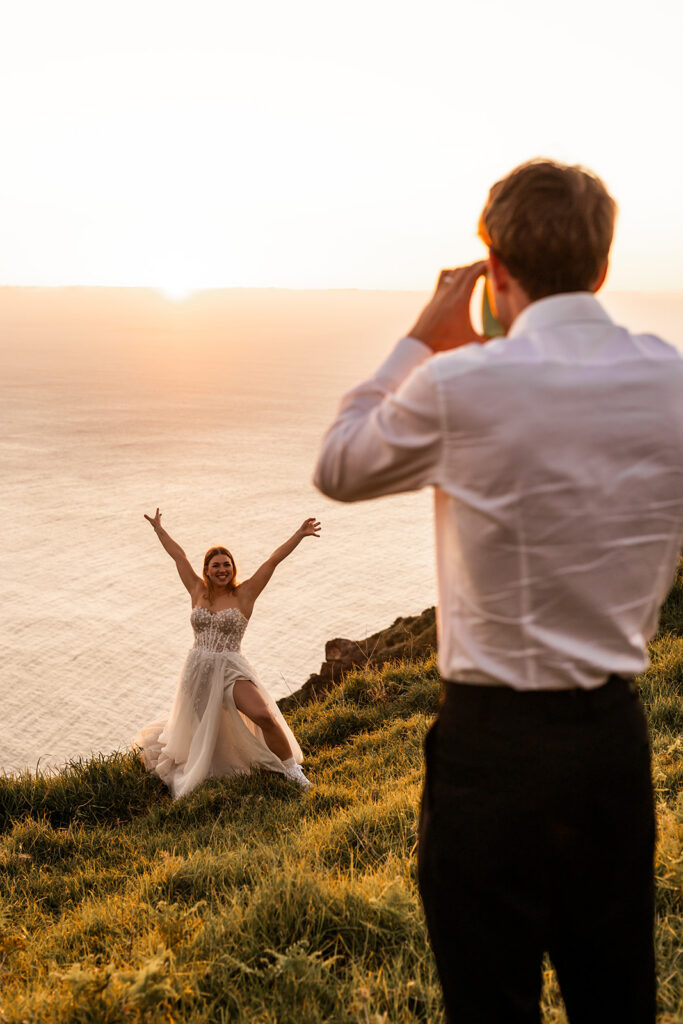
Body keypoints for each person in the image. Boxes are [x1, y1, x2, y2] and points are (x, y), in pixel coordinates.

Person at [313, 159, 683, 1023]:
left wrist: (422, 337)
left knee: (488, 1005)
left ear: (494, 269)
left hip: (489, 750)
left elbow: (338, 466)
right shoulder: (668, 378)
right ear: (600, 267)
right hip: (609, 741)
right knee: (617, 1000)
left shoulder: (460, 386)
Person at [134, 510, 320, 798]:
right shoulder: (197, 589)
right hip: (197, 669)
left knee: (263, 715)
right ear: (207, 570)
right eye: (216, 566)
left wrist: (299, 534)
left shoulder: (245, 594)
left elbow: (272, 561)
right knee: (206, 730)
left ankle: (292, 771)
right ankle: (216, 768)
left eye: (227, 565)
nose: (222, 570)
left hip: (231, 667)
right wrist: (159, 530)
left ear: (233, 568)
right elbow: (179, 557)